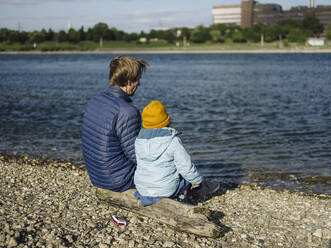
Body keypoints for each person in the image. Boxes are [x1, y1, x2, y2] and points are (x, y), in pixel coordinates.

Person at [134, 101, 219, 206]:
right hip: (165, 189)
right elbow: (186, 168)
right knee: (185, 178)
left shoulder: (139, 140)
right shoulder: (173, 141)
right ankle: (182, 197)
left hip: (142, 188)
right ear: (165, 120)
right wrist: (198, 181)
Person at [82, 56, 148, 192]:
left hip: (96, 176)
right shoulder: (127, 111)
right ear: (129, 82)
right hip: (117, 181)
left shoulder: (95, 100)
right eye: (137, 79)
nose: (139, 84)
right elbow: (136, 155)